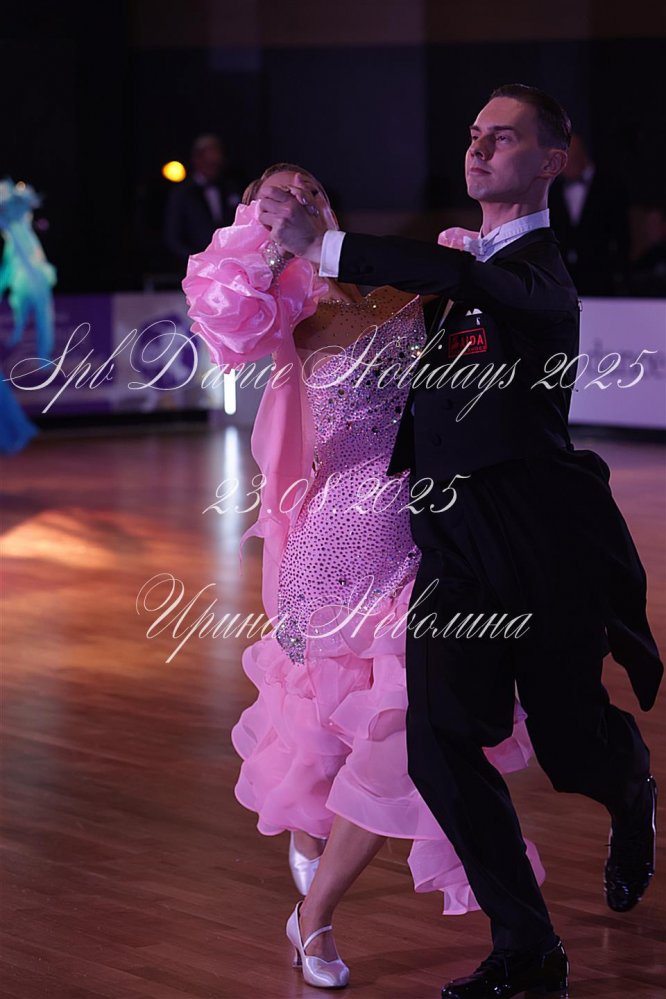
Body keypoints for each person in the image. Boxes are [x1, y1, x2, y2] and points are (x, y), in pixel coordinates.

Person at [258, 85, 662, 999]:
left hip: (540, 545)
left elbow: (470, 284)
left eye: (503, 138)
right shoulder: (450, 271)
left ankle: (631, 783)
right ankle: (528, 945)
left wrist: (326, 244)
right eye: (474, 135)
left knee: (570, 746)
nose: (478, 150)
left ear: (552, 159)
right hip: (446, 546)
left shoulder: (539, 276)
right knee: (435, 741)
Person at [183, 163, 546, 990]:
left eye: (308, 191)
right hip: (335, 550)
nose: (298, 202)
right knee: (329, 729)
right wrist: (262, 244)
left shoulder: (393, 284)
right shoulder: (281, 306)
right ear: (251, 215)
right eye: (277, 195)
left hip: (424, 541)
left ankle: (313, 911)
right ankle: (310, 855)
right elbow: (224, 312)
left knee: (407, 728)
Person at [548, 133, 629, 295]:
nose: (563, 167)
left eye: (568, 160)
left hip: (602, 281)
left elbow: (622, 235)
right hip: (564, 282)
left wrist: (619, 272)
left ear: (581, 155)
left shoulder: (610, 186)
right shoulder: (553, 190)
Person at [165, 134, 243, 267]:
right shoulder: (182, 193)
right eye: (209, 163)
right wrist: (198, 260)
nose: (214, 167)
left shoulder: (230, 188)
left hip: (228, 265)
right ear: (197, 160)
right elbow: (173, 237)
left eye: (217, 164)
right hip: (194, 266)